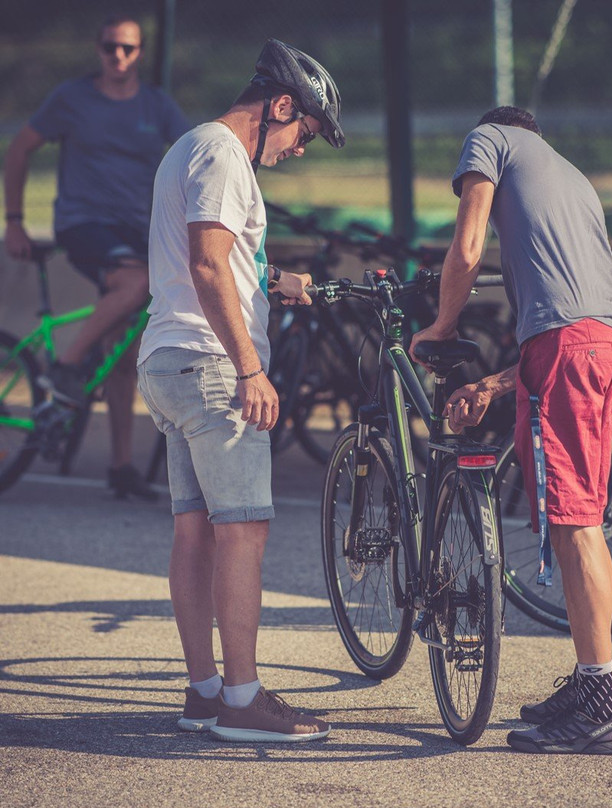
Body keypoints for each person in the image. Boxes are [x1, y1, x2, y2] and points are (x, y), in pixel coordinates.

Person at [136, 39, 345, 742]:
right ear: (281, 106)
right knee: (244, 529)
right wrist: (251, 367)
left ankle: (203, 693)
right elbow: (206, 262)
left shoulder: (190, 145)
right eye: (304, 133)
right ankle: (243, 700)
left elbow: (217, 256)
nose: (301, 149)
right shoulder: (227, 154)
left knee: (194, 532)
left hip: (167, 361)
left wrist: (274, 279)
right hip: (212, 367)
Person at [410, 106, 612, 755]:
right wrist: (490, 385)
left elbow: (468, 248)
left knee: (577, 521)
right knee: (571, 519)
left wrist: (443, 328)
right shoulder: (569, 176)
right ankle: (588, 683)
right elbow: (575, 321)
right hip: (596, 344)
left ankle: (599, 708)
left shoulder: (491, 139)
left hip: (572, 347)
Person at [2, 14, 190, 500]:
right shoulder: (72, 98)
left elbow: (195, 155)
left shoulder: (156, 104)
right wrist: (15, 220)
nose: (118, 57)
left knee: (125, 350)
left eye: (128, 49)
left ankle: (121, 467)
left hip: (136, 229)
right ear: (98, 49)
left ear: (141, 53)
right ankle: (68, 365)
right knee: (134, 285)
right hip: (84, 225)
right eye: (110, 47)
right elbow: (20, 149)